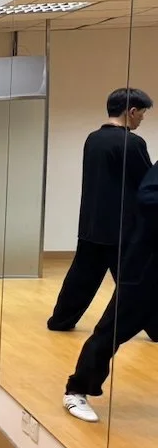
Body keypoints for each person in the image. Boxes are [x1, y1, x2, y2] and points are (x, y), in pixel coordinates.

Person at [48, 88, 155, 334]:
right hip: (123, 228)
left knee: (80, 279)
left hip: (92, 224)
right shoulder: (132, 143)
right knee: (138, 281)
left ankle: (60, 321)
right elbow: (147, 183)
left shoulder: (93, 139)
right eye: (141, 114)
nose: (141, 119)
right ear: (131, 111)